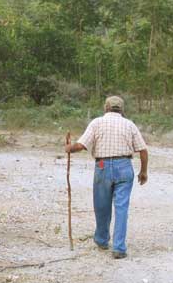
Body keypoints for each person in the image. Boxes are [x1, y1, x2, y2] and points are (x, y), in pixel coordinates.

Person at [65, 96, 148, 259]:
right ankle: (119, 248)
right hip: (124, 166)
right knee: (121, 207)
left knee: (102, 206)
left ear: (106, 108)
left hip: (102, 167)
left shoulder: (96, 123)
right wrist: (143, 172)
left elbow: (81, 146)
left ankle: (102, 240)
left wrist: (69, 147)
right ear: (122, 109)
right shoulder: (129, 124)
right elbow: (143, 151)